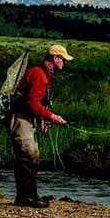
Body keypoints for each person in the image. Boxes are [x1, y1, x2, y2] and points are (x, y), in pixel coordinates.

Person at [7, 43, 72, 207]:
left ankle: (29, 195)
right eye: (63, 59)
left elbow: (36, 103)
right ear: (56, 58)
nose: (65, 63)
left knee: (33, 156)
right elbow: (33, 103)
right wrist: (52, 117)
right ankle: (25, 198)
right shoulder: (39, 74)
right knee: (27, 156)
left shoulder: (45, 74)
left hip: (27, 117)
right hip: (20, 117)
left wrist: (43, 120)